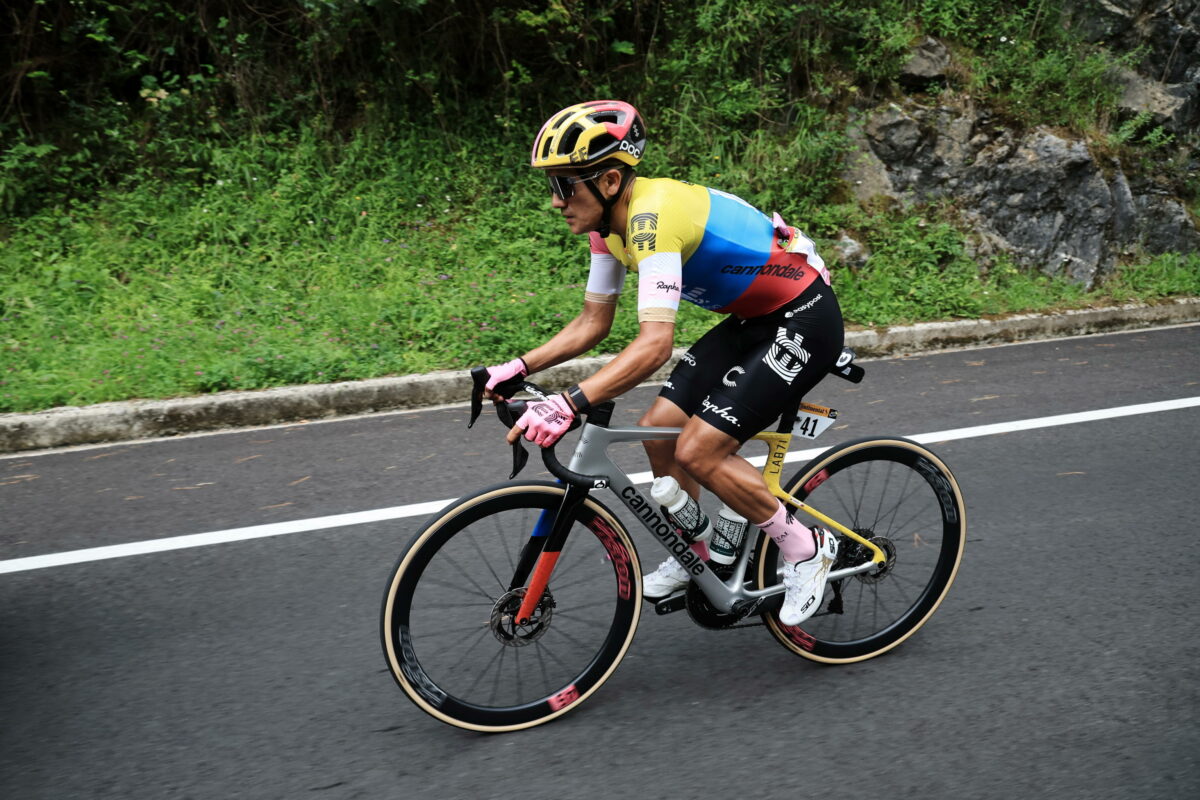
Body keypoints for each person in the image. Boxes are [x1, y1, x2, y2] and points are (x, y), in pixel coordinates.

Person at [483, 100, 845, 626]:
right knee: (657, 431)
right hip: (752, 318)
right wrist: (517, 366)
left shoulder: (651, 218)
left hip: (804, 315)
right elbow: (594, 322)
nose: (556, 201)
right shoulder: (605, 228)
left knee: (698, 449)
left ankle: (806, 547)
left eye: (564, 186)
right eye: (553, 186)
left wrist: (569, 403)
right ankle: (698, 556)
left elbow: (654, 346)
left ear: (609, 180)